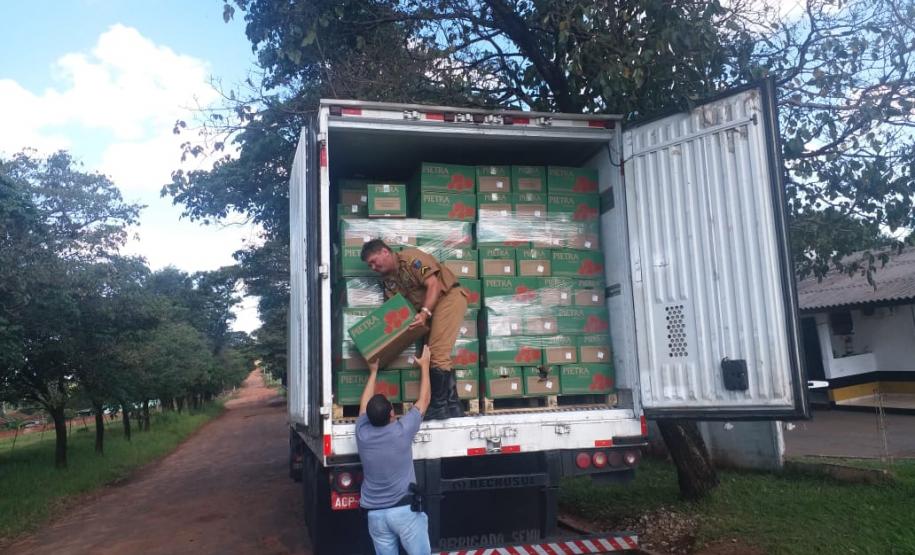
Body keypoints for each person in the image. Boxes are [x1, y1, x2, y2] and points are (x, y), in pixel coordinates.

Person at [361, 239, 467, 419]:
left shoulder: (411, 259)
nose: (373, 267)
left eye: (373, 261)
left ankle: (439, 407)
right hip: (430, 311)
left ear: (385, 252)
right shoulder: (389, 282)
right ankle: (453, 405)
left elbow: (434, 285)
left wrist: (424, 313)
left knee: (437, 353)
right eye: (369, 265)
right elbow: (395, 311)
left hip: (447, 298)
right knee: (429, 354)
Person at [356, 345, 432, 555]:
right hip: (404, 512)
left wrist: (372, 372)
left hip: (376, 517)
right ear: (392, 413)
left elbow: (363, 409)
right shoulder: (401, 431)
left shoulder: (363, 434)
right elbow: (424, 400)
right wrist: (425, 366)